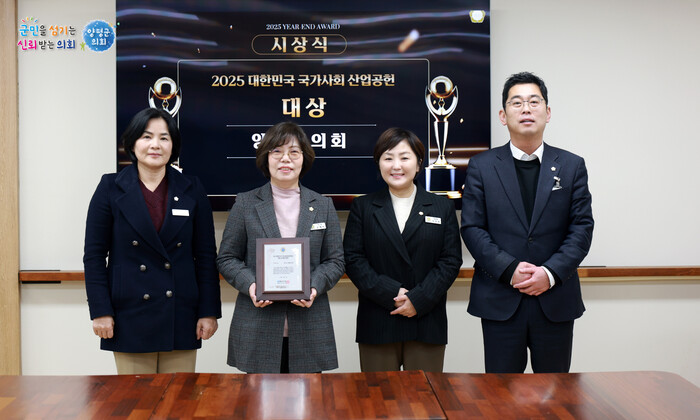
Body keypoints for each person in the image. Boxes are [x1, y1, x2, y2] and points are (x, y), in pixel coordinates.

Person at [461, 72, 594, 373]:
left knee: (556, 392)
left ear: (548, 112)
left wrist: (549, 273)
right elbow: (472, 228)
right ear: (503, 115)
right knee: (500, 394)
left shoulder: (572, 166)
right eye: (517, 102)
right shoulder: (482, 166)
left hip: (555, 298)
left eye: (534, 102)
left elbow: (582, 228)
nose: (526, 109)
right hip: (500, 298)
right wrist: (509, 269)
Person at [84, 107, 221, 374]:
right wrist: (101, 310)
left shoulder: (192, 188)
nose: (155, 145)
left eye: (164, 138)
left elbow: (206, 256)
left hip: (180, 312)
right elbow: (94, 256)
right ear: (132, 143)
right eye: (147, 137)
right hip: (128, 313)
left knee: (179, 396)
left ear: (173, 146)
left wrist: (208, 311)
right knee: (136, 396)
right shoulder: (110, 187)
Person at [217, 121, 344, 374]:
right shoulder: (245, 203)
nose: (285, 159)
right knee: (258, 399)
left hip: (309, 325)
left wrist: (313, 287)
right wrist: (252, 285)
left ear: (304, 159)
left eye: (294, 152)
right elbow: (227, 258)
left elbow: (335, 261)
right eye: (277, 151)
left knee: (309, 399)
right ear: (266, 158)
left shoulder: (323, 205)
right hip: (258, 324)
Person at [343, 127, 462, 372]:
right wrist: (392, 294)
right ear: (379, 164)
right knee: (379, 394)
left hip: (426, 319)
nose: (396, 166)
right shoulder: (363, 207)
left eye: (404, 157)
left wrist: (418, 299)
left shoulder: (441, 207)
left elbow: (450, 261)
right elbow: (354, 260)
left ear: (418, 164)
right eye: (388, 158)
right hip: (378, 319)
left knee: (424, 394)